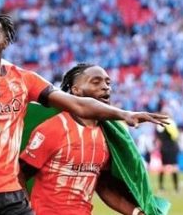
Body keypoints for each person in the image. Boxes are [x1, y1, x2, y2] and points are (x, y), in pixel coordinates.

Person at [0, 15, 166, 215]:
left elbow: (78, 105)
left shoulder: (24, 81)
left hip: (9, 195)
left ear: (6, 41)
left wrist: (124, 114)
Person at [19, 63, 145, 215]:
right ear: (76, 90)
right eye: (96, 82)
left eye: (108, 82)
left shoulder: (106, 135)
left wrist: (137, 213)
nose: (105, 87)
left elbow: (103, 186)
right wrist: (24, 211)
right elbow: (20, 174)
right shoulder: (53, 129)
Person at [155, 105, 180, 193]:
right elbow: (175, 136)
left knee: (163, 167)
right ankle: (176, 188)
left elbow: (158, 138)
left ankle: (161, 187)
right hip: (172, 147)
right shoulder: (171, 123)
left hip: (163, 148)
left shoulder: (158, 124)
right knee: (174, 167)